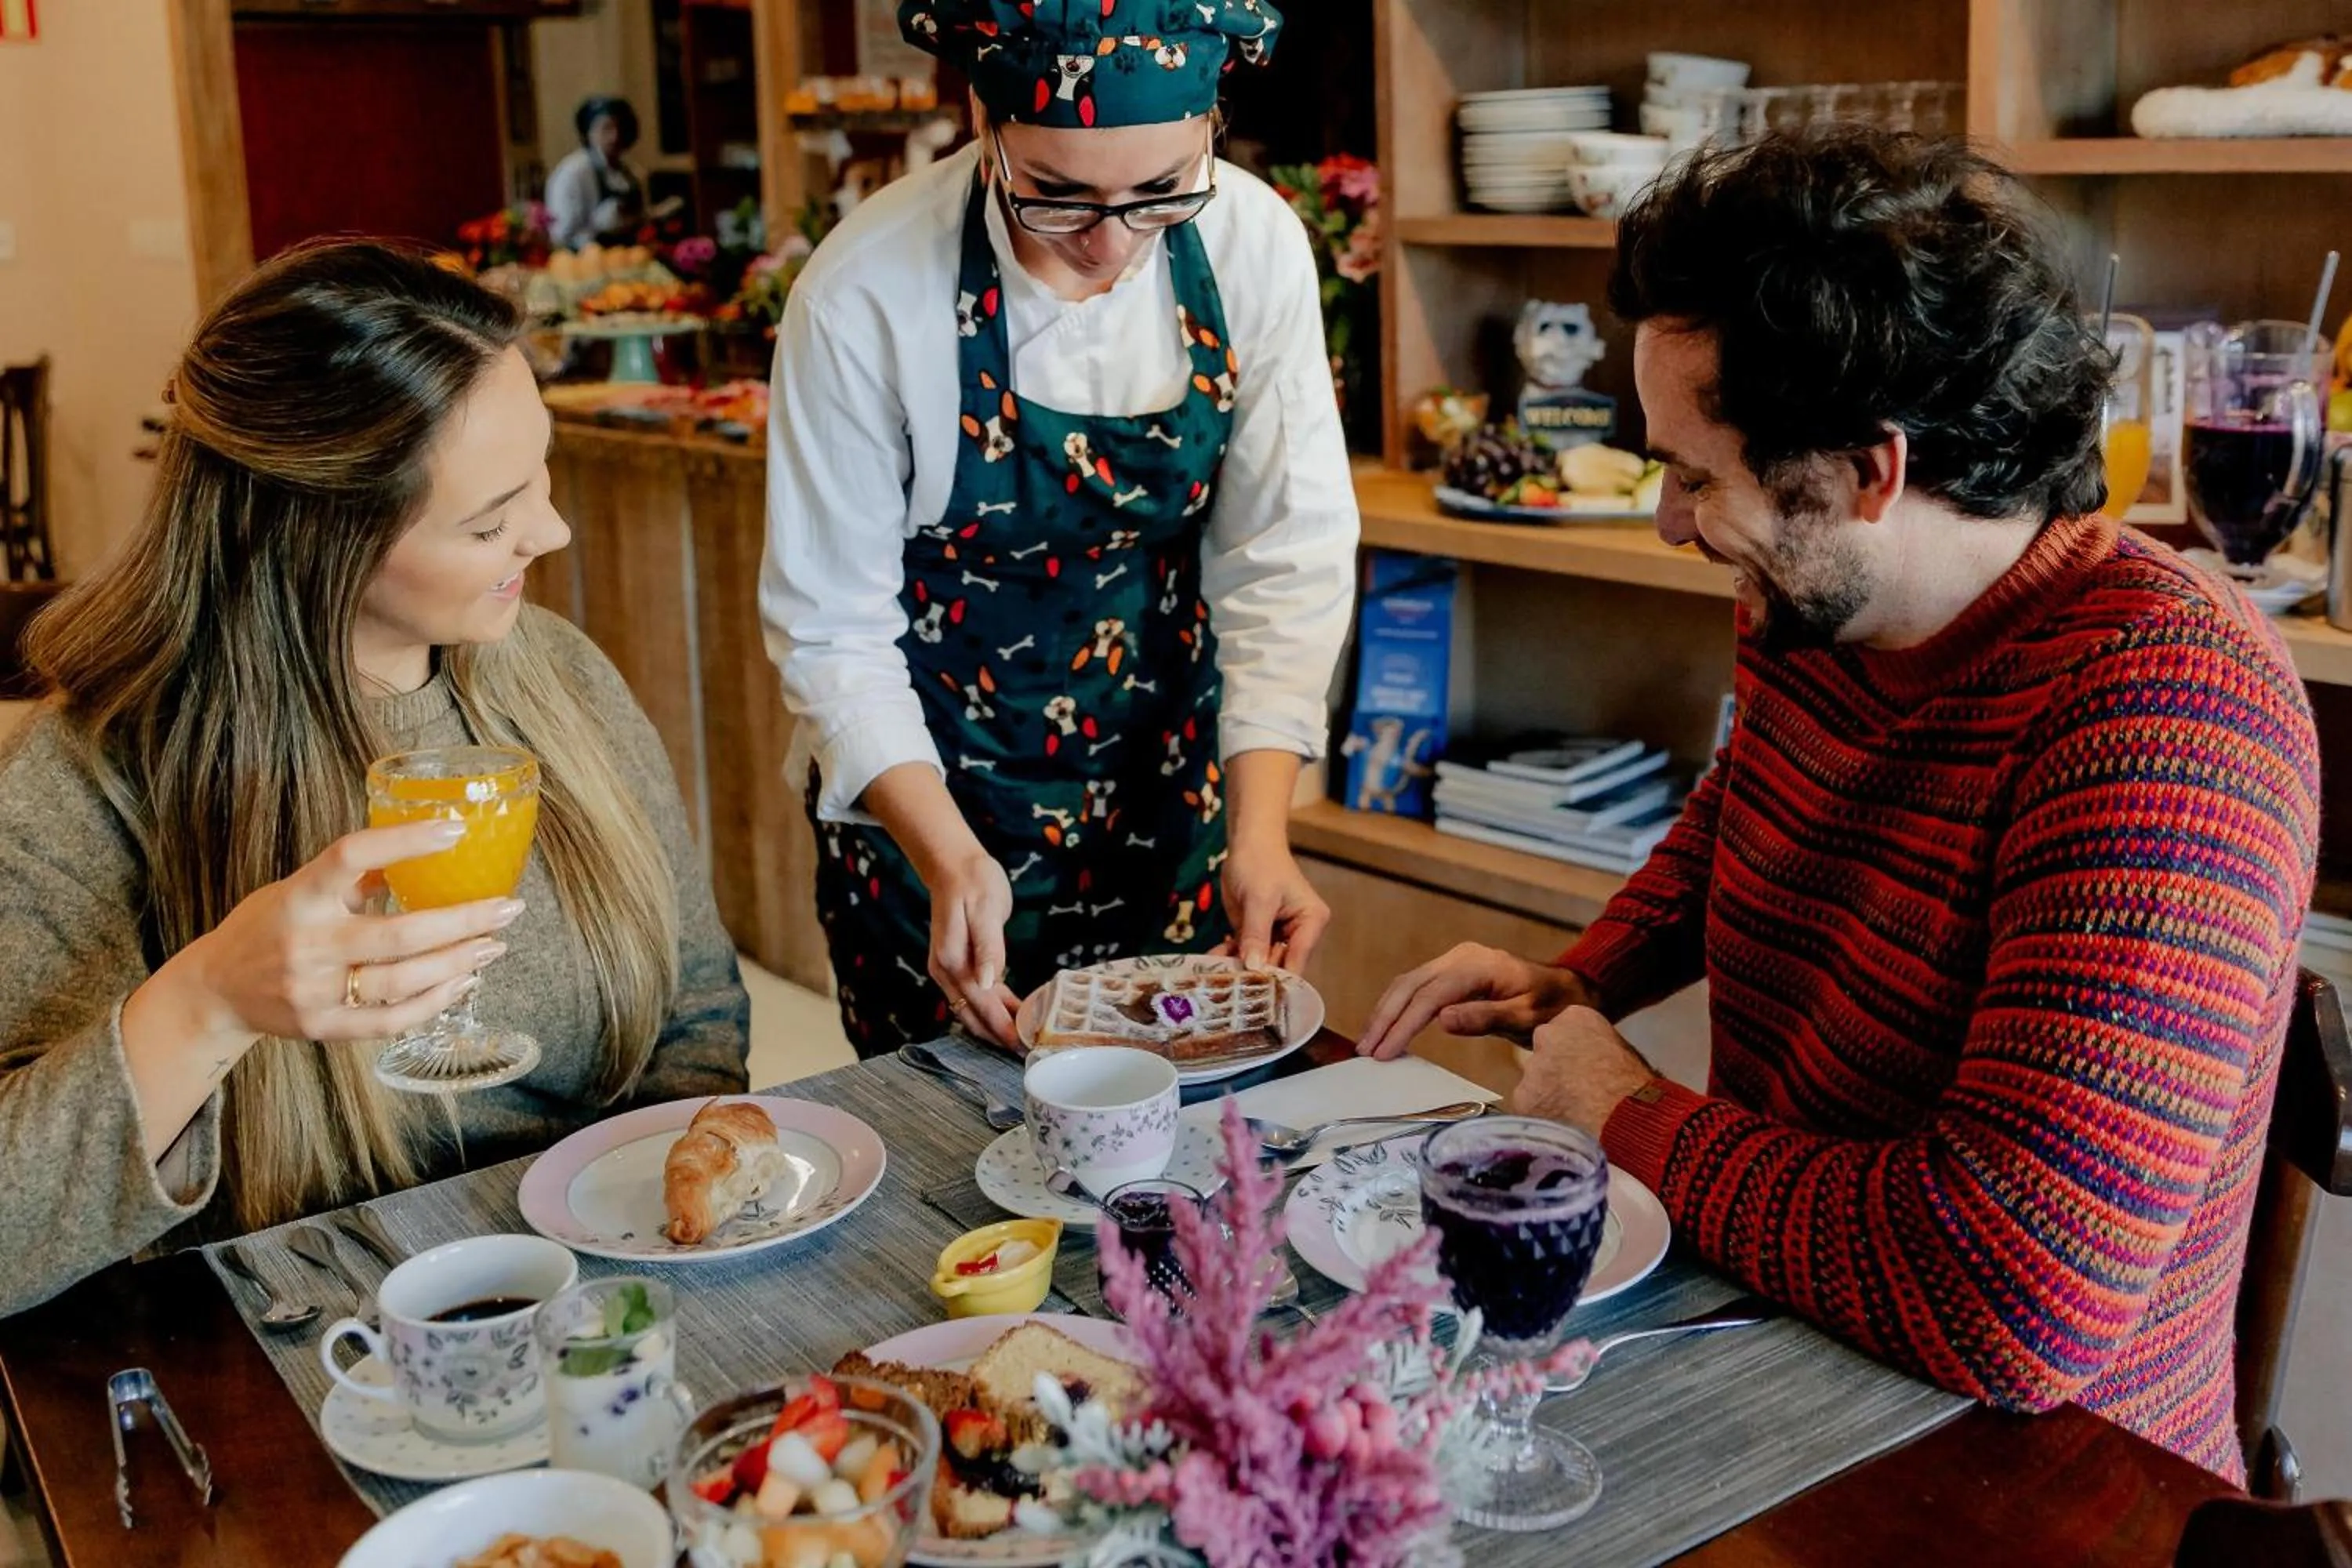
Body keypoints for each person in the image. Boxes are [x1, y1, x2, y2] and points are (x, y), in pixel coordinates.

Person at [1360, 129, 2319, 1483]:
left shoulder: (2172, 714)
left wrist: (1623, 1109)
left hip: (2039, 1477)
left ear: (1870, 470)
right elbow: (1749, 806)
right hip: (1779, 1342)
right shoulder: (1816, 600)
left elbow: (2011, 1303)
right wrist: (1586, 974)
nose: (1669, 524)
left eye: (1698, 477)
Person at [0, 241, 749, 1317]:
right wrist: (207, 1001)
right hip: (307, 1338)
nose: (551, 531)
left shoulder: (563, 680)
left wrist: (652, 1237)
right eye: (490, 520)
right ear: (326, 534)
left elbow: (699, 1009)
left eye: (539, 477)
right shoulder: (91, 778)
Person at [760, 0, 1356, 1056]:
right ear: (984, 128)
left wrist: (1261, 835)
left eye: (1162, 191)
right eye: (1057, 195)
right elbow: (832, 628)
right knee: (946, 1127)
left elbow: (1283, 557)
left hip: (1168, 794)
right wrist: (948, 858)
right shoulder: (866, 290)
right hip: (933, 805)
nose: (1110, 242)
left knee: (1181, 1109)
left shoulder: (1253, 243)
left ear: (1211, 128)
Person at [546, 96, 648, 251]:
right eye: (606, 128)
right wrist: (601, 225)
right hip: (586, 258)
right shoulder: (574, 172)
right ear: (589, 132)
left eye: (620, 128)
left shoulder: (631, 172)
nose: (615, 137)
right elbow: (563, 235)